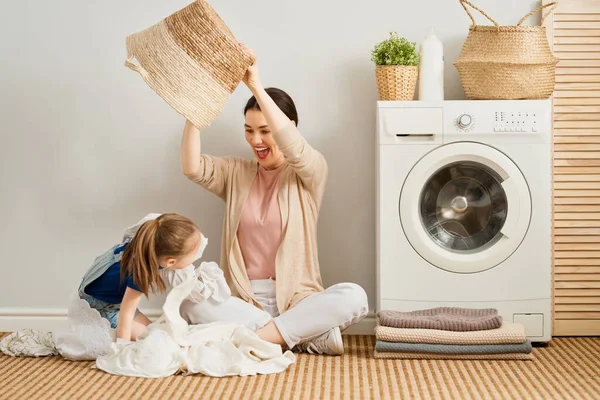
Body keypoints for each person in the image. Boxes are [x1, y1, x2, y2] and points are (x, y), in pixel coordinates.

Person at [179, 47, 368, 355]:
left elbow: (294, 146)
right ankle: (300, 335)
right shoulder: (235, 172)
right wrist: (195, 110)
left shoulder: (309, 171)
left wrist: (255, 84)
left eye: (265, 131)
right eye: (249, 131)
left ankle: (258, 338)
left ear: (287, 127)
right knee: (188, 301)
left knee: (355, 296)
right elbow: (191, 167)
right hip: (243, 300)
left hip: (297, 299)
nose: (256, 141)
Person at [78, 213, 203, 341]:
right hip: (100, 308)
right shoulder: (140, 271)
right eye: (194, 254)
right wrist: (123, 348)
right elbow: (126, 313)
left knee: (159, 331)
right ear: (170, 262)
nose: (197, 256)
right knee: (153, 338)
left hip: (112, 300)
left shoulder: (145, 245)